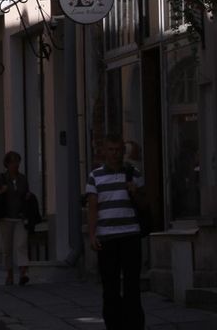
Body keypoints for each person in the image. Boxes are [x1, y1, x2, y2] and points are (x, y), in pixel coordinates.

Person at [86, 132, 147, 330]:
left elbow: (144, 204)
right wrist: (92, 234)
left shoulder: (133, 173)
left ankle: (134, 325)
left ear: (123, 151)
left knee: (132, 286)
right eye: (111, 150)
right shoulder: (95, 176)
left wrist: (134, 191)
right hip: (107, 237)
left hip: (130, 235)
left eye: (118, 150)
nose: (115, 154)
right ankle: (114, 325)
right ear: (104, 151)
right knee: (110, 288)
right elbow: (93, 207)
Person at [0, 150, 30, 286]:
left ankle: (23, 273)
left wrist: (28, 197)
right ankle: (10, 274)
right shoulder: (1, 178)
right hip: (5, 217)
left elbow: (26, 193)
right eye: (12, 162)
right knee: (7, 248)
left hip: (20, 217)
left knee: (21, 244)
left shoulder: (22, 179)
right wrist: (1, 191)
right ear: (7, 164)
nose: (15, 165)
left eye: (17, 162)